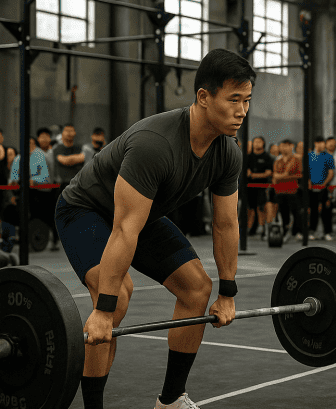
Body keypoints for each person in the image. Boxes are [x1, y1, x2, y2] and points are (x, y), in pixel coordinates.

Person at [53, 49, 253, 409]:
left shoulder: (228, 154)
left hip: (137, 216)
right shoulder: (155, 144)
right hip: (85, 210)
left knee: (197, 289)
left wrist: (228, 292)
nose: (241, 111)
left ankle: (171, 399)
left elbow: (225, 224)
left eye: (247, 100)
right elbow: (124, 230)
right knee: (116, 297)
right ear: (203, 98)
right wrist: (102, 311)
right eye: (233, 99)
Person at [273, 139, 303, 241]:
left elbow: (299, 175)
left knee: (296, 212)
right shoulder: (278, 160)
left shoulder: (297, 159)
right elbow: (275, 175)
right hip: (280, 191)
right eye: (282, 146)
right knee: (283, 213)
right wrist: (284, 176)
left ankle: (297, 232)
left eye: (286, 146)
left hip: (293, 190)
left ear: (291, 146)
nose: (284, 148)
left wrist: (283, 177)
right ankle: (285, 232)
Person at [308, 136, 335, 241]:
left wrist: (324, 184)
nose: (323, 145)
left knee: (326, 211)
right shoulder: (309, 156)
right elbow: (306, 171)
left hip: (324, 188)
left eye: (324, 143)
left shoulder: (328, 157)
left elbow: (331, 172)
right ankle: (311, 231)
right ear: (316, 143)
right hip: (311, 188)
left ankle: (328, 232)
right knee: (313, 210)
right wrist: (308, 181)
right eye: (321, 143)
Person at [245, 136, 272, 236]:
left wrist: (254, 175)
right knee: (250, 208)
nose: (257, 144)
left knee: (261, 208)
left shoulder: (267, 157)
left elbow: (268, 173)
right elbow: (246, 171)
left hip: (262, 186)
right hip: (249, 187)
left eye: (259, 142)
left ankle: (263, 228)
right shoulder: (248, 157)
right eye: (255, 142)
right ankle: (250, 228)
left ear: (263, 143)